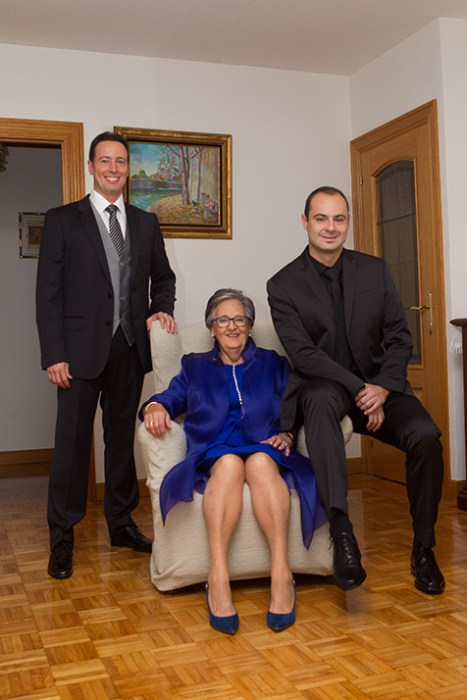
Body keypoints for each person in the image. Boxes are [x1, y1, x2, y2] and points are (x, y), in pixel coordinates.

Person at [267, 186, 445, 595]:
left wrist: (382, 387)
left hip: (380, 386)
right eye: (321, 218)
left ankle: (424, 548)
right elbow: (304, 354)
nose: (330, 227)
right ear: (305, 222)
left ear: (348, 222)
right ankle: (343, 535)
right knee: (317, 400)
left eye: (339, 218)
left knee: (425, 436)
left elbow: (400, 337)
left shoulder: (373, 270)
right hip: (326, 386)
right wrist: (361, 388)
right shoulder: (282, 284)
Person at [140, 288, 327, 633]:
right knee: (228, 463)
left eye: (240, 319)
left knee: (259, 463)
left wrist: (288, 433)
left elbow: (301, 403)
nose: (232, 326)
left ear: (250, 326)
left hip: (265, 447)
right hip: (214, 449)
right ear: (211, 328)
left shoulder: (273, 363)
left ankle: (281, 574)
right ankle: (218, 576)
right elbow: (169, 397)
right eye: (223, 320)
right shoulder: (195, 366)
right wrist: (154, 407)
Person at [36, 131, 176, 580]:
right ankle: (62, 536)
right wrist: (54, 354)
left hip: (129, 348)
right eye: (105, 161)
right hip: (76, 354)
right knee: (72, 444)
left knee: (120, 442)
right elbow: (48, 294)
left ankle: (120, 523)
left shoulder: (145, 222)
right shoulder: (62, 220)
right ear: (91, 166)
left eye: (120, 162)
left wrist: (160, 309)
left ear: (127, 168)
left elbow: (164, 278)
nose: (113, 169)